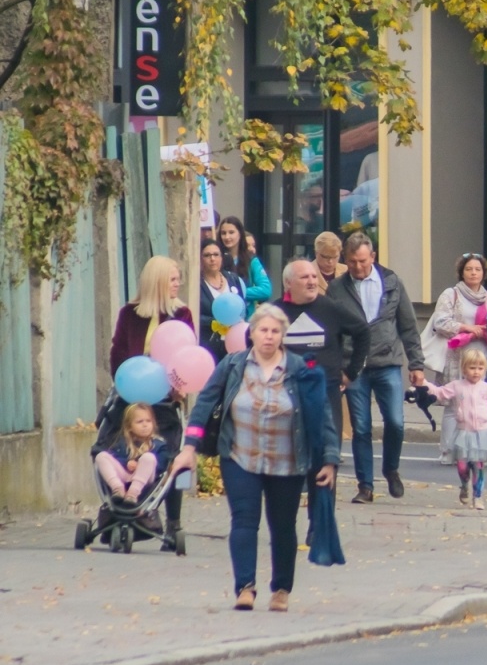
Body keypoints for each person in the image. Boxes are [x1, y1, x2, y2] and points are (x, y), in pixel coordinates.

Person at [172, 304, 338, 612]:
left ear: (283, 336)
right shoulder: (233, 365)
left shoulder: (300, 368)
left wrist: (328, 459)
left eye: (276, 331)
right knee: (244, 521)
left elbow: (322, 414)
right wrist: (189, 447)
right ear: (252, 333)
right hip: (240, 455)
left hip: (286, 460)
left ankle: (282, 589)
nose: (269, 337)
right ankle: (244, 588)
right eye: (263, 330)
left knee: (283, 526)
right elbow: (205, 403)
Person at [109, 255, 194, 549]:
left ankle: (173, 521)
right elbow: (118, 354)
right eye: (172, 279)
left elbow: (186, 353)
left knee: (171, 453)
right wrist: (125, 381)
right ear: (157, 282)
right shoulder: (129, 314)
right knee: (113, 444)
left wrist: (178, 385)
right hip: (132, 395)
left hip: (166, 398)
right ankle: (117, 506)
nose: (177, 284)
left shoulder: (181, 314)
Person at [337, 233, 426, 503]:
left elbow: (408, 326)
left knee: (396, 423)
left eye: (362, 261)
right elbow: (333, 331)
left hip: (387, 362)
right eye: (352, 262)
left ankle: (391, 469)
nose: (357, 267)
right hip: (354, 367)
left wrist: (416, 364)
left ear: (373, 257)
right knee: (361, 427)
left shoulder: (391, 282)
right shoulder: (338, 288)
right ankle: (365, 486)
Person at [276, 259, 370, 446]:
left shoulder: (330, 308)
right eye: (304, 277)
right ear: (288, 283)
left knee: (329, 447)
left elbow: (363, 332)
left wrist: (351, 372)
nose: (312, 281)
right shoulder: (275, 312)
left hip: (327, 391)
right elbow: (251, 339)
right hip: (287, 392)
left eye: (313, 276)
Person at [428, 252, 487, 464]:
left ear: (484, 273)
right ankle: (448, 451)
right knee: (454, 404)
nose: (473, 273)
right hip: (457, 356)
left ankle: (476, 452)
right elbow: (440, 322)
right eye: (469, 269)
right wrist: (468, 328)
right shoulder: (451, 294)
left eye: (477, 269)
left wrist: (486, 332)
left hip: (481, 356)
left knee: (480, 405)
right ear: (461, 272)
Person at [424, 348, 487, 509]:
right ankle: (464, 485)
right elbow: (440, 393)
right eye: (472, 368)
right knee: (462, 466)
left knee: (478, 466)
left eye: (480, 368)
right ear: (464, 369)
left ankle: (478, 496)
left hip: (482, 434)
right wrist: (424, 384)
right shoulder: (457, 386)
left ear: (485, 369)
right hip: (463, 433)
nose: (476, 372)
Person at [95, 403, 169, 530]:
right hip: (123, 476)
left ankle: (132, 495)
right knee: (101, 456)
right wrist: (126, 463)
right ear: (130, 427)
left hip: (145, 478)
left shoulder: (159, 444)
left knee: (149, 458)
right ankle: (117, 489)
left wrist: (140, 463)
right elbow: (114, 457)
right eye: (140, 422)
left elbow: (162, 464)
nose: (145, 424)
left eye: (148, 421)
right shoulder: (122, 442)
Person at [196, 238, 247, 362]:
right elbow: (195, 314)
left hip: (235, 344)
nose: (212, 259)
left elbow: (242, 307)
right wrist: (215, 322)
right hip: (209, 345)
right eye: (207, 255)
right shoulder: (197, 283)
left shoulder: (233, 279)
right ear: (201, 259)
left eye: (216, 255)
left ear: (221, 258)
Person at [216, 216, 272, 312]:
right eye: (223, 233)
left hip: (245, 317)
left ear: (240, 234)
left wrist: (237, 291)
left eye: (231, 232)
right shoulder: (216, 258)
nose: (227, 237)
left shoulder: (251, 260)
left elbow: (265, 290)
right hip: (220, 315)